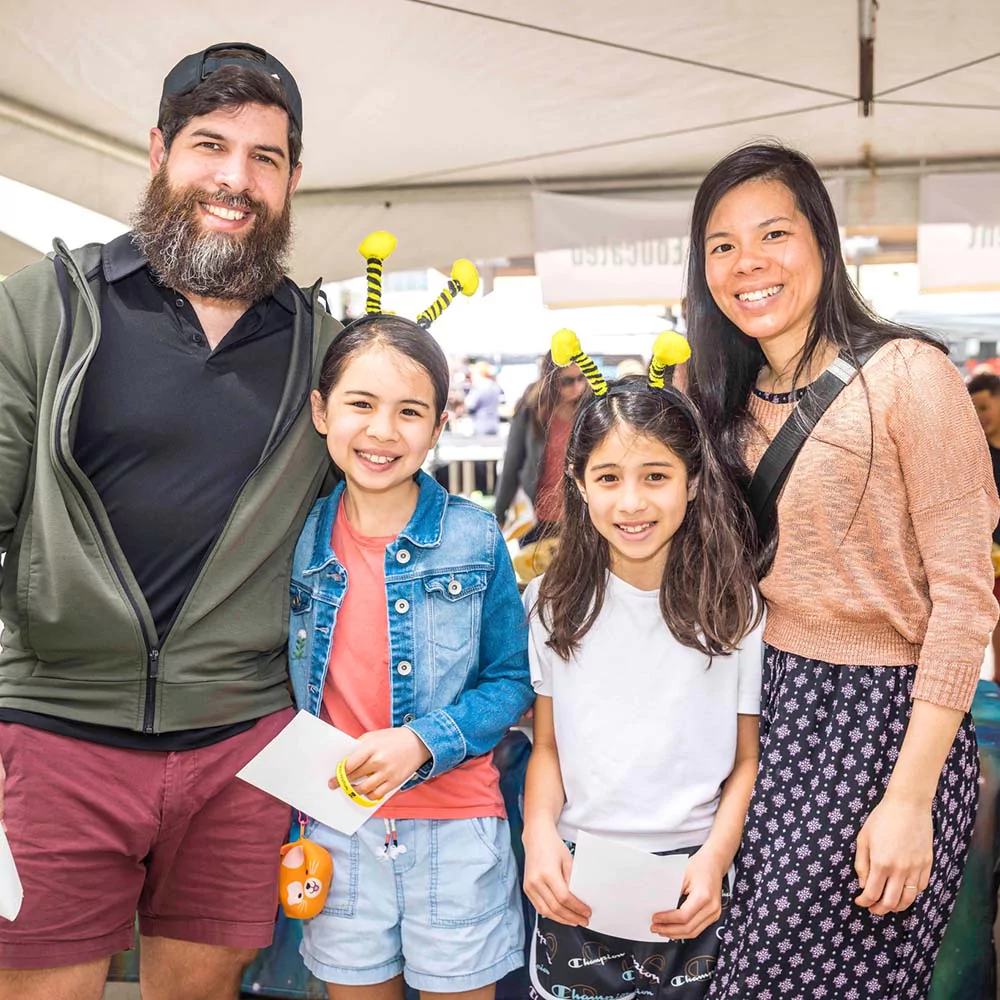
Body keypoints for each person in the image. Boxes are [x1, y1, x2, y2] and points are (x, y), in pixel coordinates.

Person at [0, 43, 341, 999]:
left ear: (292, 179)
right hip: (58, 728)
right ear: (158, 151)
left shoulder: (323, 348)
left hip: (243, 744)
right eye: (210, 145)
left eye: (264, 158)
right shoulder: (47, 309)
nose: (235, 179)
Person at [685, 142, 999, 1000]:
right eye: (722, 245)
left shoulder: (912, 377)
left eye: (774, 234)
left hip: (881, 727)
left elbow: (967, 601)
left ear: (823, 241)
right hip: (765, 711)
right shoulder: (720, 397)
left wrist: (910, 798)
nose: (748, 263)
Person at [288, 312, 534, 999]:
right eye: (360, 405)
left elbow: (512, 679)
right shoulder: (296, 539)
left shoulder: (474, 536)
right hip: (335, 830)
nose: (382, 431)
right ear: (321, 410)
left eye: (409, 411)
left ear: (438, 424)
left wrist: (421, 742)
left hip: (456, 831)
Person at [521, 335, 764, 1000]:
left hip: (692, 877)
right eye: (608, 478)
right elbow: (545, 747)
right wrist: (538, 835)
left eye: (655, 476)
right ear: (578, 484)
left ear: (692, 482)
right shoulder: (549, 603)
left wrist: (716, 859)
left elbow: (746, 760)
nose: (631, 503)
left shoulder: (734, 607)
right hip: (576, 871)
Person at [494, 352, 589, 538]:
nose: (577, 386)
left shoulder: (590, 408)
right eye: (568, 381)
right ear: (552, 380)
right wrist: (499, 512)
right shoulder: (531, 408)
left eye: (581, 378)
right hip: (536, 517)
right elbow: (512, 462)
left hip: (580, 516)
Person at [968, 371, 1000, 682]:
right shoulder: (976, 453)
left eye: (984, 407)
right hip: (987, 558)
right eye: (973, 410)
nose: (980, 417)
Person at [465, 361, 504, 436]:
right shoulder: (495, 387)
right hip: (494, 424)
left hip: (481, 425)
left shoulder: (479, 388)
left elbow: (470, 405)